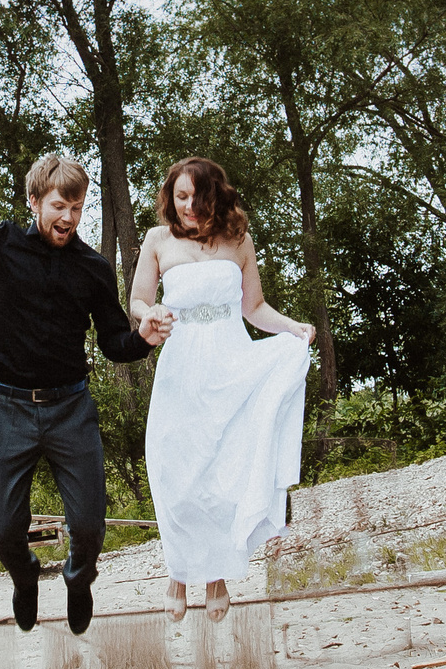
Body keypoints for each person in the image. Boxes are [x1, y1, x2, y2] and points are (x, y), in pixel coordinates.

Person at [0, 131, 165, 635]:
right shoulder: (1, 245)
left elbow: (114, 341)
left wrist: (145, 338)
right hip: (8, 409)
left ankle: (78, 578)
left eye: (78, 208)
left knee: (88, 526)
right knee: (2, 532)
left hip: (71, 409)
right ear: (35, 202)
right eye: (59, 206)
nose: (68, 218)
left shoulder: (92, 268)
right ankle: (25, 579)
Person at [127, 156, 314, 624]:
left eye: (198, 196)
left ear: (216, 195)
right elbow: (137, 300)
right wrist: (149, 314)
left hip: (232, 364)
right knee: (176, 471)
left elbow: (254, 307)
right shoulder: (157, 240)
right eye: (181, 196)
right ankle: (178, 572)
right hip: (182, 370)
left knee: (223, 473)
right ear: (171, 197)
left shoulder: (239, 240)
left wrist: (292, 329)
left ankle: (216, 578)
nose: (189, 206)